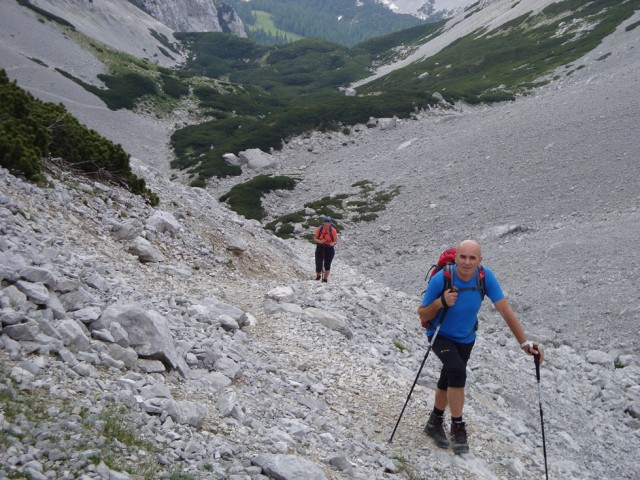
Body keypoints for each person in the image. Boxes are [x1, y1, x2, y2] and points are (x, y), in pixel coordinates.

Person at [417, 239, 543, 454]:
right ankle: (458, 426)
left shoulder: (485, 277)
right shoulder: (442, 279)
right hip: (439, 334)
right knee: (457, 371)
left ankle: (435, 422)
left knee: (448, 375)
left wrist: (524, 343)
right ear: (456, 257)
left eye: (472, 258)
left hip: (466, 337)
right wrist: (441, 303)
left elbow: (504, 310)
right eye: (463, 257)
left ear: (479, 260)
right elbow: (422, 313)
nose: (467, 262)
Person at [313, 216, 338, 283]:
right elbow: (315, 238)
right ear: (323, 222)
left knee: (327, 264)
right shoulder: (319, 229)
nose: (326, 223)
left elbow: (335, 241)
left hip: (329, 248)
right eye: (325, 222)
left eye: (328, 222)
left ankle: (325, 279)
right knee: (318, 263)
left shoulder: (333, 230)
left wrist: (333, 243)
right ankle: (318, 276)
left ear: (330, 223)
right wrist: (320, 241)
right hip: (320, 247)